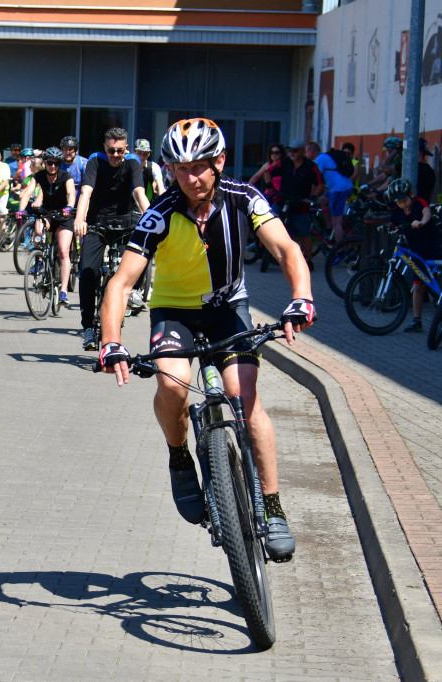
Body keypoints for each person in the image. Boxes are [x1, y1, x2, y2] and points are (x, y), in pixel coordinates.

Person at [99, 117, 315, 562]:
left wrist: (301, 298)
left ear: (219, 161)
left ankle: (272, 507)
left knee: (245, 397)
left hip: (227, 310)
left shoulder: (245, 199)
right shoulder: (159, 213)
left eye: (200, 166)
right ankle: (180, 456)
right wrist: (111, 339)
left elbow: (287, 249)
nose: (191, 177)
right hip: (174, 312)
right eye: (180, 168)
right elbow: (121, 283)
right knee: (173, 385)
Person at [73, 126, 149, 350]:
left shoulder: (133, 162)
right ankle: (88, 327)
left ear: (126, 148)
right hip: (97, 223)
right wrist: (80, 218)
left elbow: (139, 193)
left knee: (140, 258)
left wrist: (150, 216)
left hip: (125, 223)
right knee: (88, 272)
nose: (115, 156)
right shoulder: (95, 161)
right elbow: (86, 192)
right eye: (111, 151)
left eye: (119, 151)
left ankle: (133, 292)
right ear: (104, 147)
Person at [17, 147, 75, 306]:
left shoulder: (66, 176)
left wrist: (69, 206)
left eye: (57, 163)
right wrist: (21, 210)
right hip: (48, 213)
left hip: (64, 216)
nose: (53, 166)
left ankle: (63, 291)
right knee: (38, 227)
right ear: (45, 162)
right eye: (50, 163)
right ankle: (40, 257)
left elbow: (71, 193)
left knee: (63, 251)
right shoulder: (39, 176)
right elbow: (28, 193)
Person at [387, 177, 439, 331]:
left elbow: (427, 213)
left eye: (404, 200)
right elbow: (393, 222)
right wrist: (386, 227)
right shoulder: (398, 211)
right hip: (417, 251)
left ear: (411, 194)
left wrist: (422, 222)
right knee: (418, 286)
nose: (402, 204)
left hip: (433, 247)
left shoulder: (419, 203)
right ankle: (417, 320)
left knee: (435, 280)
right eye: (399, 202)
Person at [268, 138, 324, 265]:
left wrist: (313, 197)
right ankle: (264, 251)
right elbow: (268, 172)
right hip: (282, 200)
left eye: (294, 151)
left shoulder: (311, 166)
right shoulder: (284, 162)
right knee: (270, 223)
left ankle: (308, 260)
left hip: (301, 203)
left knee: (303, 232)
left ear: (302, 151)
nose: (291, 153)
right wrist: (269, 184)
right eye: (290, 150)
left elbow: (320, 184)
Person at [314, 145, 355, 242]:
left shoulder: (320, 159)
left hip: (339, 190)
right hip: (342, 187)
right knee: (322, 200)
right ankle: (328, 228)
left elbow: (314, 179)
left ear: (310, 152)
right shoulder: (327, 157)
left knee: (336, 221)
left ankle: (340, 251)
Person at [58, 135, 88, 202]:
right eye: (65, 149)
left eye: (70, 149)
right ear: (61, 150)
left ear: (76, 151)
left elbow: (88, 187)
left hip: (80, 203)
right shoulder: (57, 164)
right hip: (62, 204)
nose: (68, 153)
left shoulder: (83, 164)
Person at [417, 137, 436, 204]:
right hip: (425, 205)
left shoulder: (415, 170)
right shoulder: (430, 171)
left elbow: (384, 167)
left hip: (415, 208)